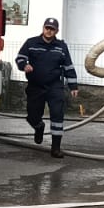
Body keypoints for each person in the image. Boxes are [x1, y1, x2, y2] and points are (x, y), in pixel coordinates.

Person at [16, 16, 79, 159]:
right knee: (32, 116)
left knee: (57, 115)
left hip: (54, 86)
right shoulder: (31, 43)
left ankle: (56, 148)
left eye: (52, 29)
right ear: (43, 28)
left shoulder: (61, 47)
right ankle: (38, 127)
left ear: (56, 31)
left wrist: (73, 86)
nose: (49, 31)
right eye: (47, 28)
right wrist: (24, 65)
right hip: (35, 86)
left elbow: (68, 66)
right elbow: (20, 57)